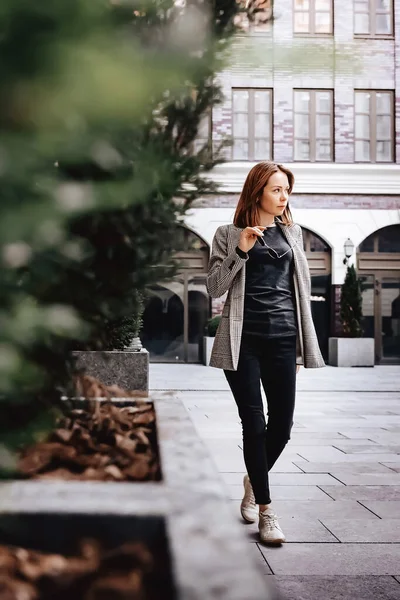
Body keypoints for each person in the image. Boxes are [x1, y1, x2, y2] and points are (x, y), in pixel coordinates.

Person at [206, 161, 325, 545]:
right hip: (243, 342)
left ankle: (253, 479)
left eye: (287, 190)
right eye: (277, 189)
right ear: (257, 191)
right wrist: (241, 250)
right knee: (254, 424)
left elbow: (300, 288)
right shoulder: (228, 234)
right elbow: (214, 288)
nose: (284, 196)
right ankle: (267, 512)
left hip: (283, 339)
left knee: (283, 427)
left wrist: (302, 344)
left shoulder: (293, 233)